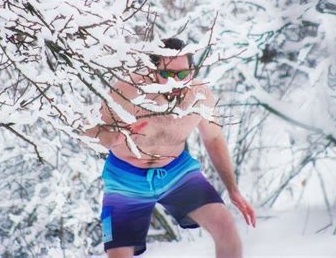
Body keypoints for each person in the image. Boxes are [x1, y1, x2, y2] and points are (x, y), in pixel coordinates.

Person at [86, 38, 256, 258]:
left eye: (183, 74)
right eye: (167, 75)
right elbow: (89, 128)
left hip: (176, 171)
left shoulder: (200, 96)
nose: (176, 82)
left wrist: (232, 189)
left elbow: (214, 139)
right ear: (152, 71)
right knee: (119, 254)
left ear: (192, 71)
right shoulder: (128, 92)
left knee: (225, 225)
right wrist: (111, 139)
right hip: (125, 177)